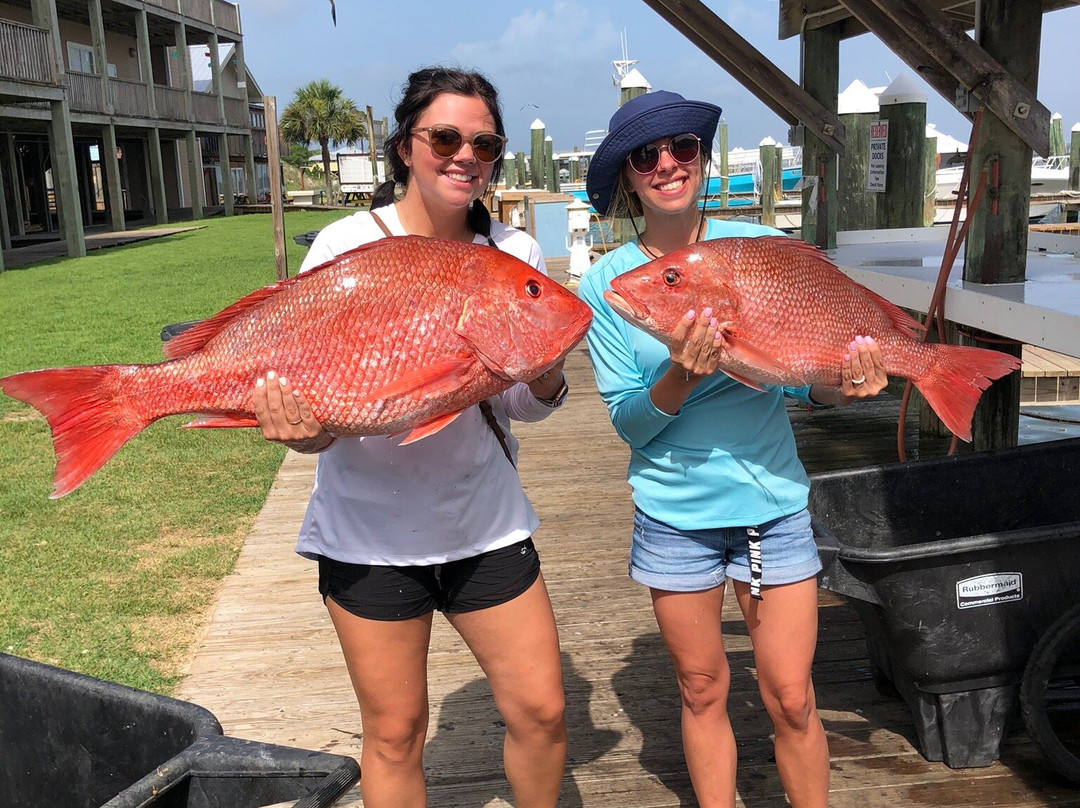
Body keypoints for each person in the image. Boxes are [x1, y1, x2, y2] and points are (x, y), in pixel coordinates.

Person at [251, 67, 569, 808]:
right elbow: (317, 410)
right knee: (394, 733)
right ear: (404, 147)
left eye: (484, 142)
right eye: (446, 137)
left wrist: (550, 377)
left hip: (485, 524)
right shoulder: (343, 243)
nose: (466, 155)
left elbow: (520, 402)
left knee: (544, 711)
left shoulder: (514, 253)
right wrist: (297, 431)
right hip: (367, 539)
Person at [578, 90, 889, 808]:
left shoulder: (762, 248)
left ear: (702, 159)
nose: (666, 165)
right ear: (627, 175)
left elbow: (799, 384)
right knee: (701, 687)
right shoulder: (608, 285)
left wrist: (845, 384)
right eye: (645, 155)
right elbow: (630, 422)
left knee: (790, 695)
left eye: (681, 148)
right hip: (674, 515)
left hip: (771, 506)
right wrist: (683, 373)